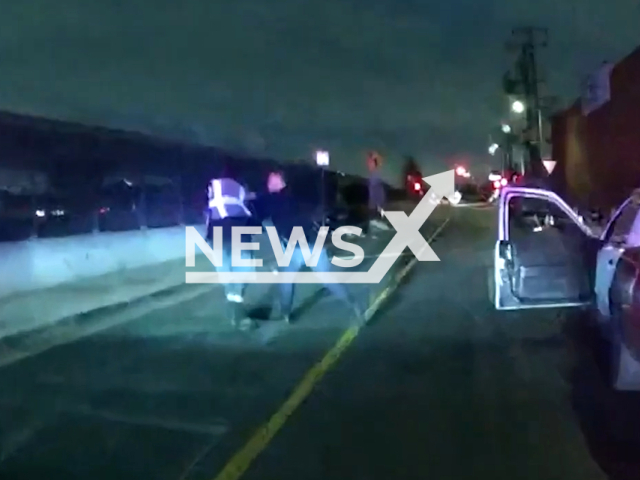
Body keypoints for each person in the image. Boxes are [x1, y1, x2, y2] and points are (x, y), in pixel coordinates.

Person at [253, 170, 365, 324]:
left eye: (273, 181)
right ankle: (354, 306)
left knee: (287, 279)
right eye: (269, 181)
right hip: (311, 243)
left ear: (282, 183)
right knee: (326, 279)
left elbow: (259, 214)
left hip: (299, 246)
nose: (269, 184)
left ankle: (285, 313)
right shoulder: (294, 198)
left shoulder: (272, 200)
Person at [206, 164, 256, 328]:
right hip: (236, 231)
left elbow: (207, 211)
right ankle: (237, 311)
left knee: (227, 271)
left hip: (218, 232)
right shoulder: (239, 189)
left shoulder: (213, 187)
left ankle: (235, 310)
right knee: (243, 270)